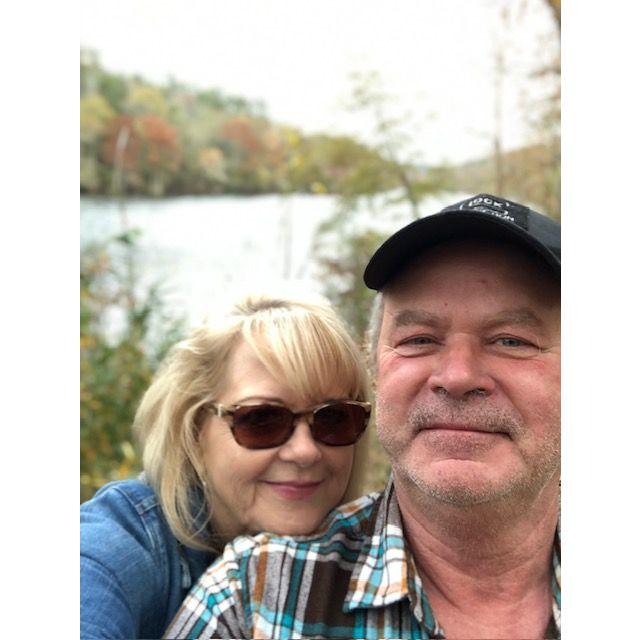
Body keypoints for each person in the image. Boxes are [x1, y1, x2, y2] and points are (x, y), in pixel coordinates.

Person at [165, 193, 561, 640]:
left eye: (511, 341)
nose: (457, 376)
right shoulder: (251, 603)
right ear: (375, 369)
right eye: (419, 339)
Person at [80, 294, 372, 640]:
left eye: (334, 418)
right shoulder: (125, 543)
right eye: (262, 419)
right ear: (194, 431)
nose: (305, 452)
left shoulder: (380, 562)